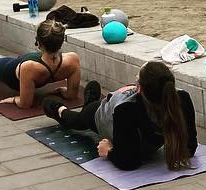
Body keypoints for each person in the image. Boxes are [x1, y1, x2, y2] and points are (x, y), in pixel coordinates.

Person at [44, 60, 196, 171]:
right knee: (78, 120)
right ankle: (58, 109)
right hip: (101, 113)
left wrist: (109, 151)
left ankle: (90, 100)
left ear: (139, 89)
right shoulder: (126, 109)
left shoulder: (180, 99)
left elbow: (127, 161)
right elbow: (129, 159)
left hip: (119, 104)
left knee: (87, 112)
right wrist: (110, 151)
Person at [0, 19, 80, 108]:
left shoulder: (29, 67)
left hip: (20, 67)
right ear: (61, 42)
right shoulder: (72, 59)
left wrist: (14, 99)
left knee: (1, 63)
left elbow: (25, 104)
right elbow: (71, 95)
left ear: (38, 44)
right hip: (18, 66)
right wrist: (62, 90)